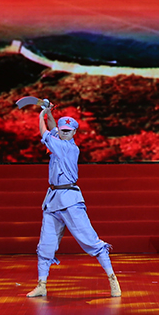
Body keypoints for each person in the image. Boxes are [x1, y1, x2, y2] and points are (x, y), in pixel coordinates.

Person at [25, 101, 120, 299]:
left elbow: (45, 132)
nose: (64, 133)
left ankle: (113, 279)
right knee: (46, 244)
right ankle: (42, 285)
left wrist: (41, 115)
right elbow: (53, 128)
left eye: (68, 131)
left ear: (74, 132)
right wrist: (49, 113)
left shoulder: (67, 148)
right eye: (63, 130)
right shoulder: (59, 138)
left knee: (90, 240)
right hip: (52, 200)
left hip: (70, 199)